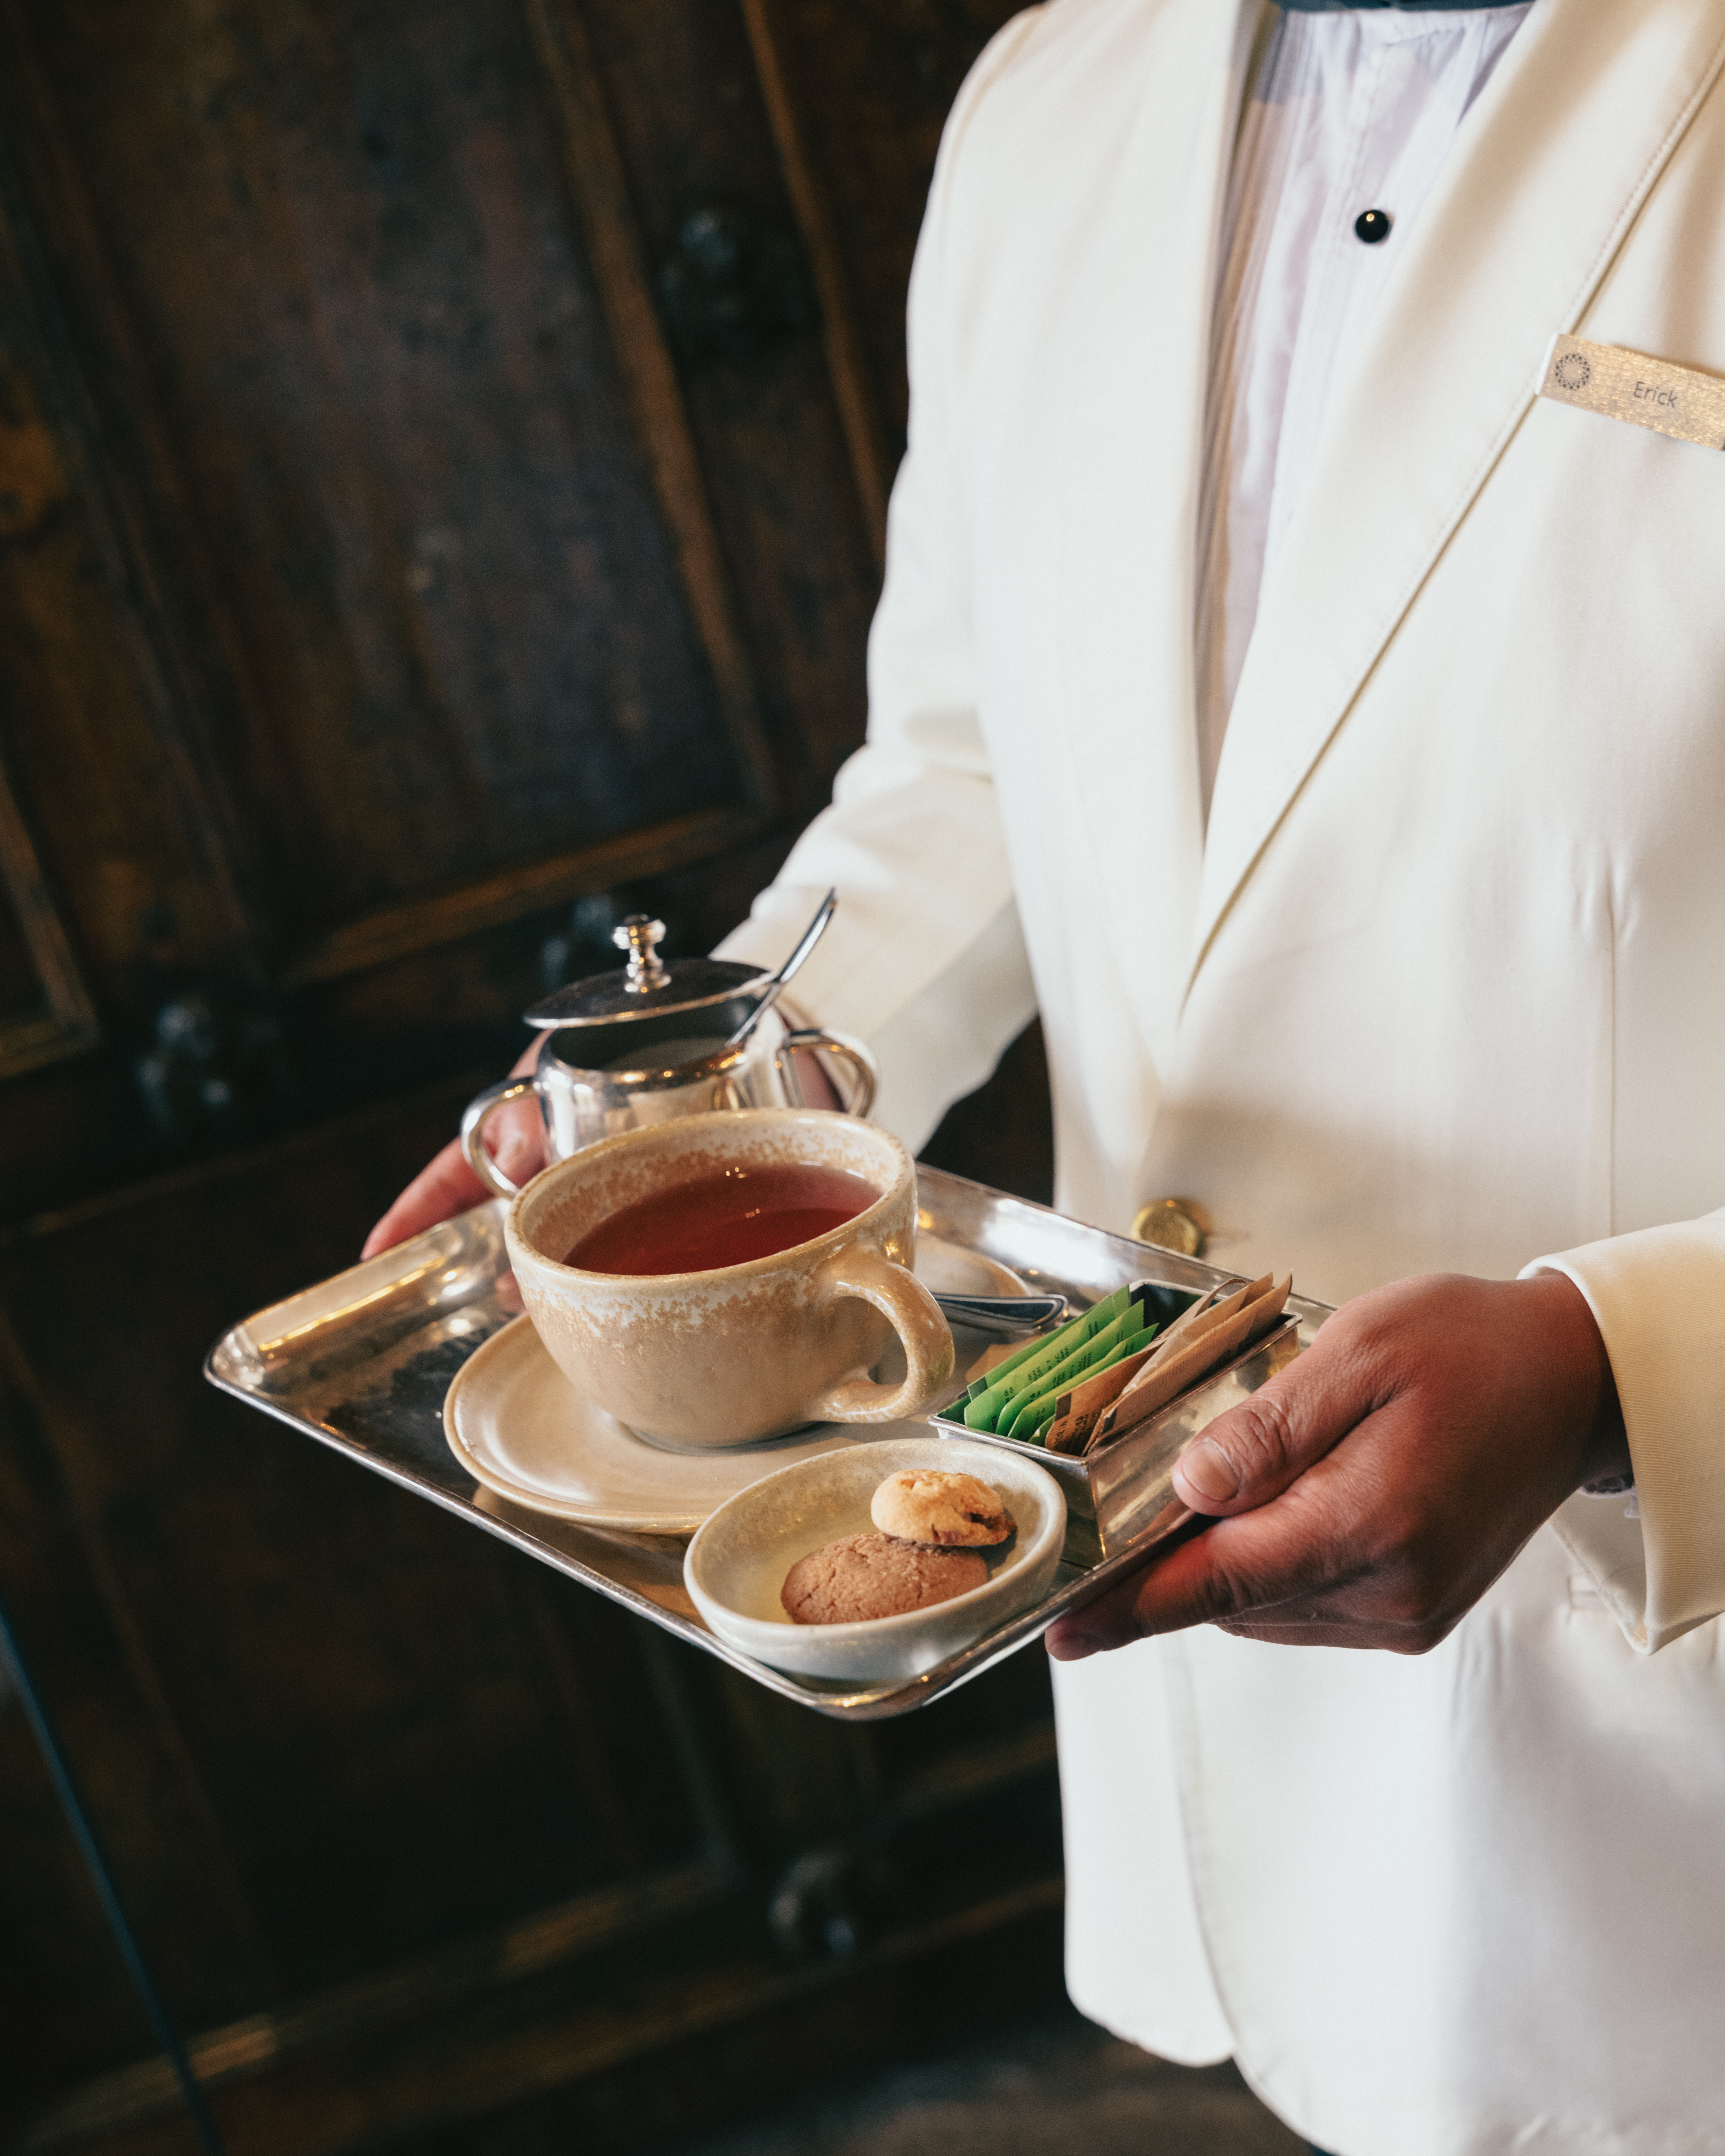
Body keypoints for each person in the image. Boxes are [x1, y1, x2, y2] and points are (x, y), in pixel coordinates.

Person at [369, 1, 1725, 2146]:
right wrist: (727, 1087)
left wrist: (1628, 1373)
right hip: (1206, 1662)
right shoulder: (1045, 101)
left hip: (1670, 1705)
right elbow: (969, 769)